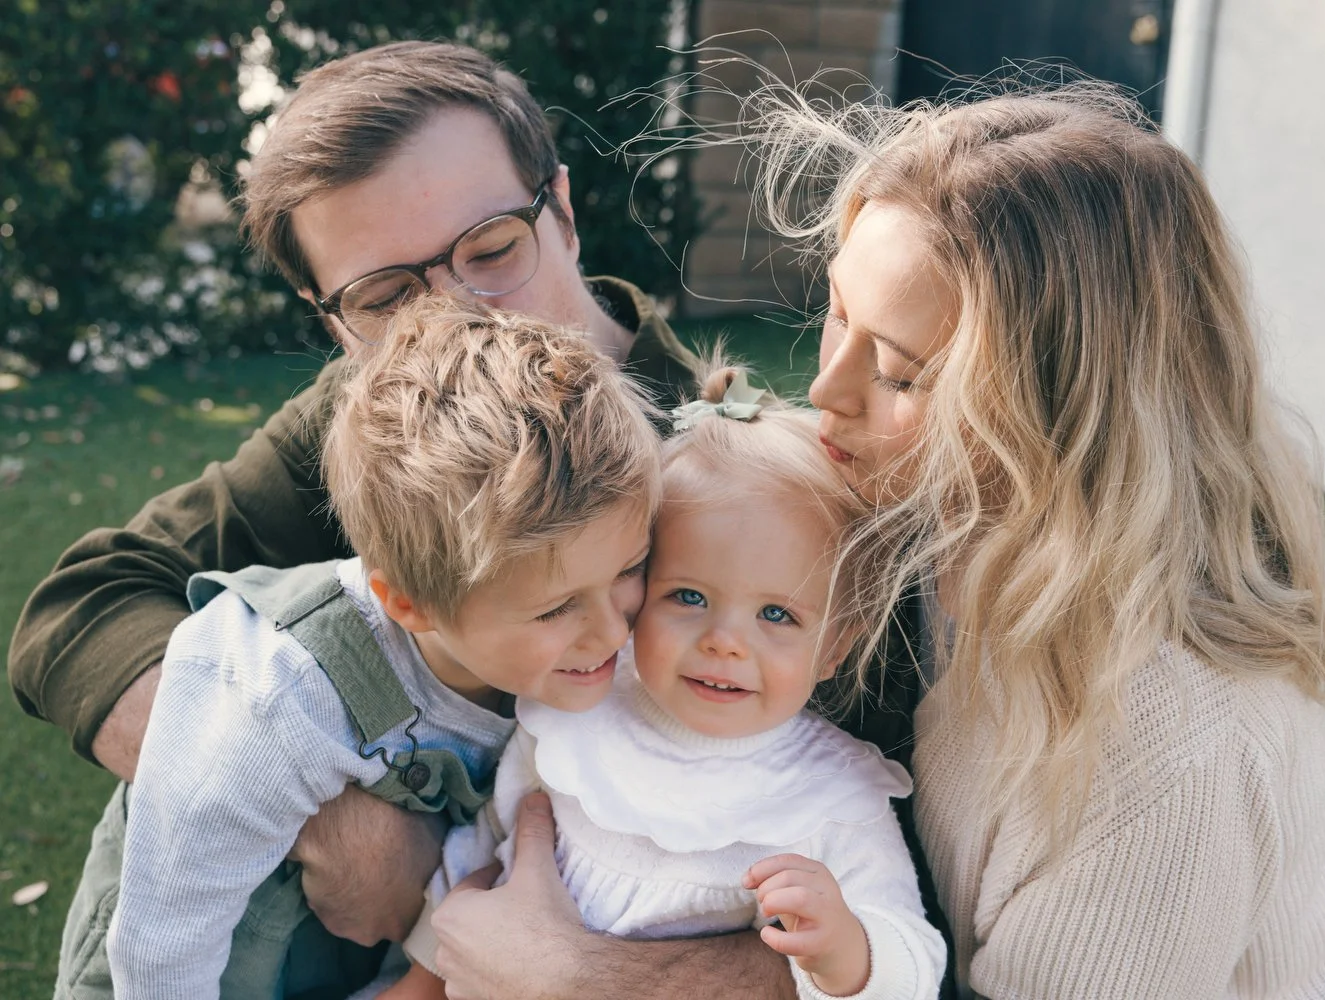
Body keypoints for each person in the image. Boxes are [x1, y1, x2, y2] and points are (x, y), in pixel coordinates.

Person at [423, 86, 1325, 998]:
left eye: (898, 372)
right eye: (838, 315)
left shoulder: (1170, 743)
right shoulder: (929, 509)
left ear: (1058, 418)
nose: (823, 393)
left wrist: (580, 977)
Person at [13, 41, 948, 1000]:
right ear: (330, 319)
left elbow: (899, 901)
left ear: (565, 212)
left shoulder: (748, 487)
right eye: (384, 297)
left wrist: (585, 975)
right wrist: (332, 825)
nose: (459, 317)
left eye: (494, 248)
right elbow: (83, 609)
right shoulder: (387, 424)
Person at [84, 298, 661, 998]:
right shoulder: (279, 695)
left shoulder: (558, 645)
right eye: (556, 607)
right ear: (409, 606)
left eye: (630, 569)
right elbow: (162, 945)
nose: (612, 630)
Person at [379, 369, 946, 1000]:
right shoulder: (584, 710)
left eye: (777, 615)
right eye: (689, 596)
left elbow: (915, 956)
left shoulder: (833, 795)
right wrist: (424, 977)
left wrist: (847, 952)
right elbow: (483, 851)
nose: (724, 641)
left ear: (838, 645)